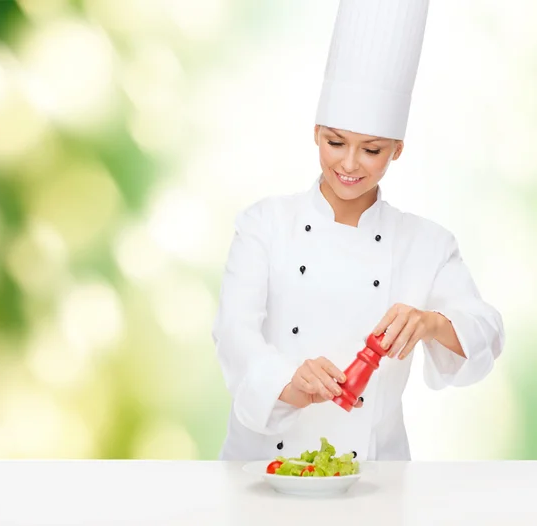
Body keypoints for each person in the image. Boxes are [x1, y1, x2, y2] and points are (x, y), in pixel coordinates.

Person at [212, 0, 504, 461]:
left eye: (371, 149)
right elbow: (233, 332)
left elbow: (486, 331)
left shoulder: (427, 244)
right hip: (261, 465)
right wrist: (287, 382)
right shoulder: (263, 224)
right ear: (315, 132)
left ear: (397, 150)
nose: (349, 164)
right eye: (335, 142)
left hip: (374, 475)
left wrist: (429, 323)